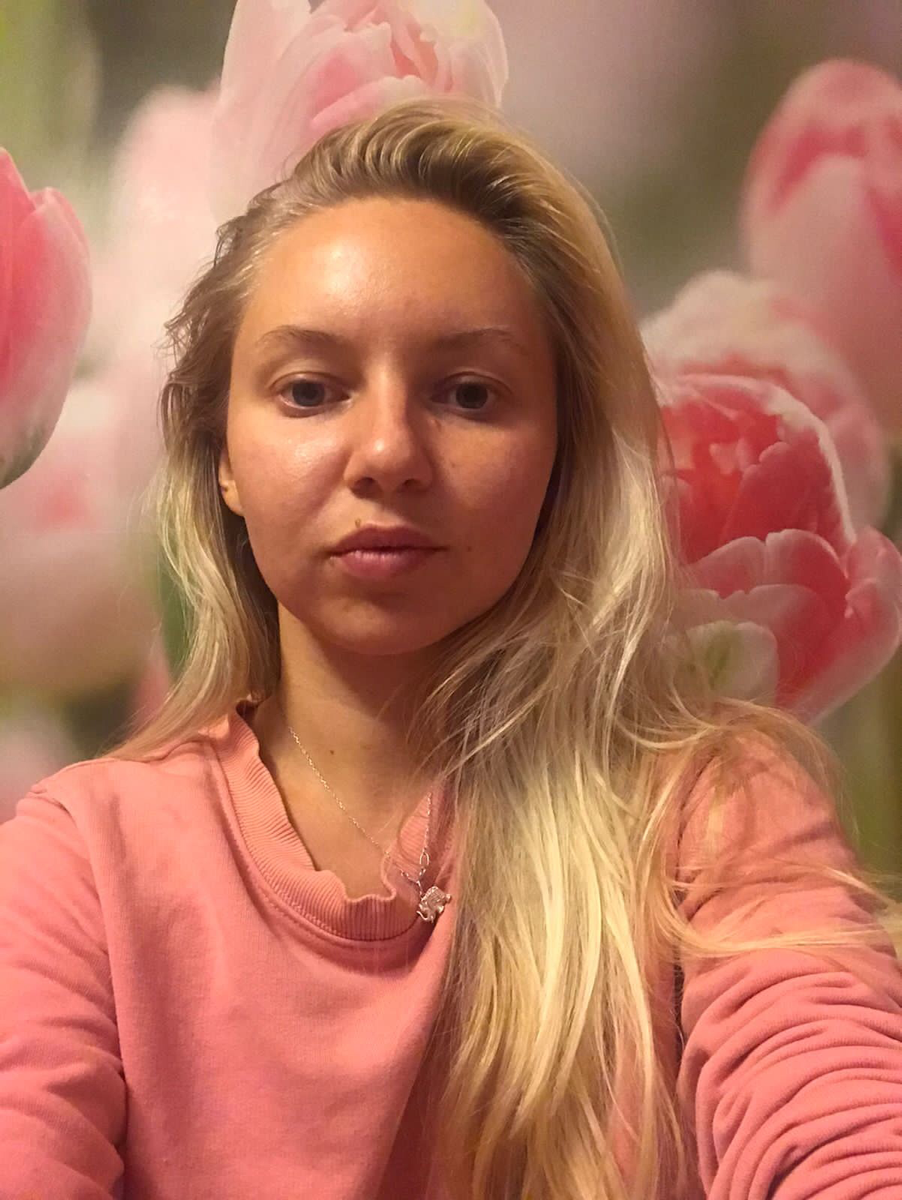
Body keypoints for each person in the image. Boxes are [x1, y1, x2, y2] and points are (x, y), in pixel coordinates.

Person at [2, 94, 902, 1200]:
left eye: (469, 395)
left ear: (563, 456)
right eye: (310, 391)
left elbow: (837, 1128)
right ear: (220, 457)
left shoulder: (711, 816)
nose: (387, 452)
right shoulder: (82, 865)